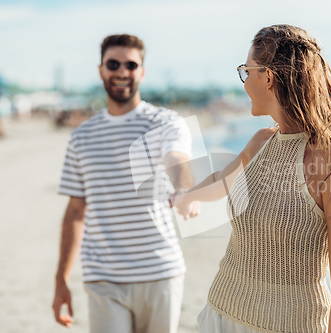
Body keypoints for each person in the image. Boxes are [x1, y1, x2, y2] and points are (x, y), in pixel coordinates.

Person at [171, 24, 331, 333]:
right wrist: (188, 196)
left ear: (268, 78)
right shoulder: (261, 142)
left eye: (246, 71)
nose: (243, 83)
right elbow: (221, 181)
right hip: (220, 316)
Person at [52, 34, 199, 333]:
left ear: (142, 71)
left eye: (131, 65)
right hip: (103, 276)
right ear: (101, 70)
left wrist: (185, 190)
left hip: (161, 272)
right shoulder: (81, 137)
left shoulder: (166, 122)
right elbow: (75, 211)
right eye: (113, 64)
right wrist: (61, 280)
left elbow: (177, 158)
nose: (121, 71)